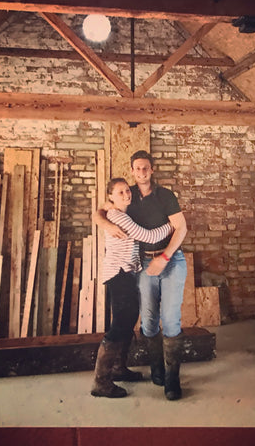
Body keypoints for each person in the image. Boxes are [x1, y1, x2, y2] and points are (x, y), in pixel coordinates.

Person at [94, 151, 188, 401]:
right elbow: (100, 212)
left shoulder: (163, 195)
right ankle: (117, 378)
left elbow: (183, 227)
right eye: (137, 168)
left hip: (157, 263)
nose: (142, 172)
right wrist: (106, 223)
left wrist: (166, 254)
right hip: (129, 270)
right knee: (138, 321)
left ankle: (168, 379)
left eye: (146, 168)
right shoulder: (124, 202)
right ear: (133, 170)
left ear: (152, 169)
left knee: (163, 320)